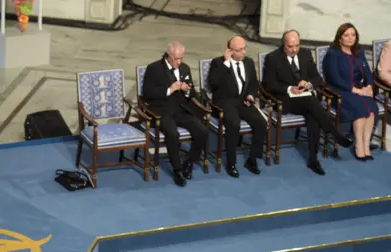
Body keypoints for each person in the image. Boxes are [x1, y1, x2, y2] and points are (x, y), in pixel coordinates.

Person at [262, 29, 353, 175]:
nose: (294, 50)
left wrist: (309, 84)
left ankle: (313, 159)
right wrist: (290, 88)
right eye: (290, 47)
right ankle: (335, 134)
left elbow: (317, 78)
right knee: (312, 102)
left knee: (313, 117)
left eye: (297, 45)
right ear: (283, 45)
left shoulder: (305, 54)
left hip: (307, 98)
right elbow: (268, 84)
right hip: (287, 100)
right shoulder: (273, 58)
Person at [142, 41, 209, 187]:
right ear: (168, 55)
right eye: (176, 58)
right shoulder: (154, 69)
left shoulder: (185, 68)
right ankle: (177, 169)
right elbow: (147, 94)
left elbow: (193, 92)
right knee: (173, 134)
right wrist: (169, 90)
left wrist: (186, 90)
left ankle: (190, 161)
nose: (179, 62)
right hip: (162, 111)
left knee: (202, 131)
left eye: (181, 58)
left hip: (181, 109)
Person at [208, 35, 267, 178]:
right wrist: (226, 64)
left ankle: (252, 159)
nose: (244, 52)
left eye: (244, 48)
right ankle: (231, 163)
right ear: (230, 51)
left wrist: (251, 95)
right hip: (225, 101)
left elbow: (253, 84)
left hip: (243, 101)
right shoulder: (218, 63)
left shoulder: (249, 63)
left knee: (261, 122)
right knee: (234, 124)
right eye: (239, 50)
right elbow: (213, 84)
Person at [323, 23, 378, 160]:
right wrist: (354, 90)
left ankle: (366, 145)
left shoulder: (359, 51)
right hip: (340, 92)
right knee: (360, 110)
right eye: (346, 35)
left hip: (358, 90)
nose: (350, 38)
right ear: (339, 38)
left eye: (353, 35)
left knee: (371, 109)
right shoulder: (333, 54)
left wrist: (369, 86)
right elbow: (334, 78)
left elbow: (367, 71)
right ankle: (359, 146)